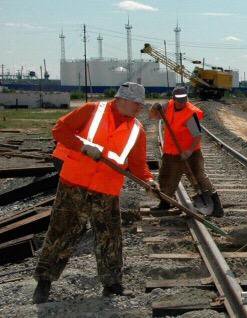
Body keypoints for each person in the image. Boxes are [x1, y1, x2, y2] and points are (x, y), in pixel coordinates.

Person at [35, 82, 156, 303]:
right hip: (75, 182)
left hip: (107, 188)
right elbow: (59, 130)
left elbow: (138, 165)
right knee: (61, 232)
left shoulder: (137, 129)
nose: (139, 108)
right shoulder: (92, 110)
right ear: (120, 100)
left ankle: (112, 284)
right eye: (136, 104)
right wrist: (83, 146)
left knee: (110, 236)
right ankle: (44, 283)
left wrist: (148, 180)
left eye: (141, 104)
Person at [148, 86, 224, 217]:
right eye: (179, 99)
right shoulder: (168, 106)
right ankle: (165, 203)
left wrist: (188, 152)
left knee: (199, 178)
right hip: (171, 152)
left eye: (184, 99)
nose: (182, 102)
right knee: (166, 177)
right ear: (173, 98)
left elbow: (197, 135)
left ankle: (216, 207)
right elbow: (153, 116)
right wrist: (154, 108)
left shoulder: (190, 113)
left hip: (191, 153)